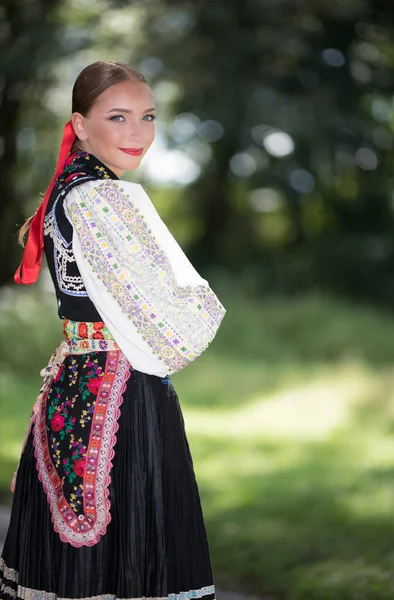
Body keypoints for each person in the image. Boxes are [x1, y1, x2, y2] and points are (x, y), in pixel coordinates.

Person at [0, 61, 226, 600]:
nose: (137, 133)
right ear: (79, 124)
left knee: (79, 570)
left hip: (74, 376)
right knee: (131, 563)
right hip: (124, 388)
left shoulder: (67, 190)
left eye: (147, 117)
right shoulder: (103, 196)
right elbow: (175, 323)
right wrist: (197, 306)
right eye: (118, 117)